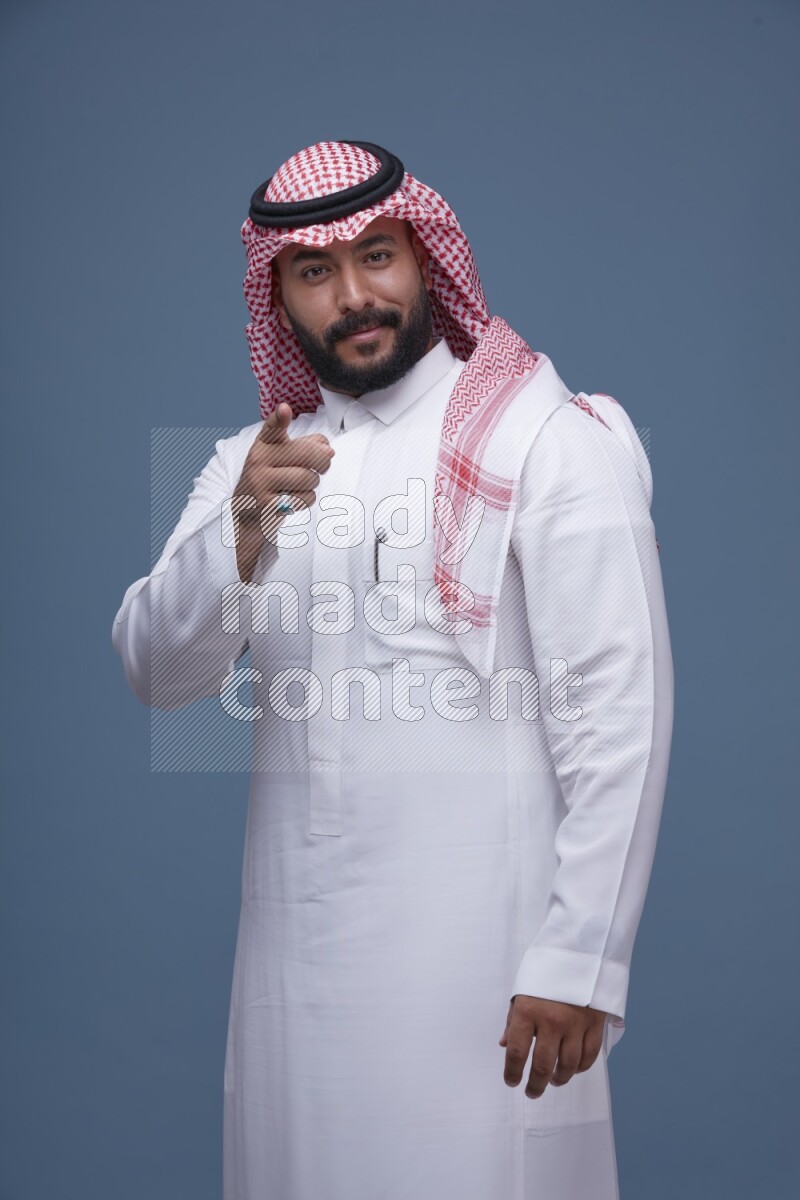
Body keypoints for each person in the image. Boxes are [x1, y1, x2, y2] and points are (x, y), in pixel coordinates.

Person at [112, 140, 673, 1200]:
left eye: (377, 256)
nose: (355, 295)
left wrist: (580, 959)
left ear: (424, 257)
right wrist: (238, 533)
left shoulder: (545, 438)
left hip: (487, 972)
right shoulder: (250, 462)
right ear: (276, 295)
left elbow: (617, 713)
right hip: (291, 984)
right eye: (315, 272)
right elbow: (155, 670)